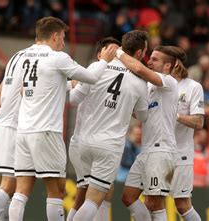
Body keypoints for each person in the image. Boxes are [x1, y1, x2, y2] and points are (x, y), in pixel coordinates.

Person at [8, 16, 117, 221]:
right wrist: (104, 61)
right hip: (46, 130)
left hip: (23, 131)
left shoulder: (24, 56)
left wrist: (66, 85)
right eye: (63, 38)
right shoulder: (57, 58)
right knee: (57, 190)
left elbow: (27, 89)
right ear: (55, 36)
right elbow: (91, 77)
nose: (64, 43)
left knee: (21, 191)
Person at [70, 31, 149, 221]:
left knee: (96, 193)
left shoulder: (98, 68)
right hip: (108, 145)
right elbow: (143, 116)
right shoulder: (139, 81)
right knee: (93, 200)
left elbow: (75, 96)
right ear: (139, 54)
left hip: (82, 142)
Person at [118, 45, 181, 221]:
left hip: (162, 151)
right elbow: (139, 115)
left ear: (167, 66)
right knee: (128, 197)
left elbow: (138, 68)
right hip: (146, 151)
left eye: (154, 59)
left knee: (154, 203)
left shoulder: (169, 82)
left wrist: (119, 53)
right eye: (150, 58)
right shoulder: (149, 88)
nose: (149, 61)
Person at [66, 37, 122, 221]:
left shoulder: (121, 79)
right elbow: (72, 97)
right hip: (83, 142)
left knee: (96, 193)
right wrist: (73, 82)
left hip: (94, 144)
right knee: (93, 194)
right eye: (111, 52)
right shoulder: (90, 72)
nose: (116, 56)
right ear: (100, 54)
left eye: (118, 53)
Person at [0, 38, 32, 221]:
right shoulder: (36, 60)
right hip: (12, 127)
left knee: (5, 187)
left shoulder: (15, 57)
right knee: (9, 186)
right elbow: (29, 93)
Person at [168, 46, 204, 221]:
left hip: (180, 153)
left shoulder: (193, 87)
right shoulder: (154, 83)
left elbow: (198, 122)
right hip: (155, 151)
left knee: (182, 204)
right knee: (146, 200)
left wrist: (174, 115)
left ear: (174, 64)